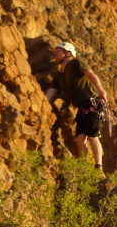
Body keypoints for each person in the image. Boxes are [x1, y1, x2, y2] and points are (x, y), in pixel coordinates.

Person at [42, 41, 110, 172]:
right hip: (81, 107)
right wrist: (41, 103)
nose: (55, 53)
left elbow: (90, 74)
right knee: (79, 138)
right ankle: (84, 167)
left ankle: (98, 167)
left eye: (58, 51)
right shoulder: (59, 76)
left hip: (92, 102)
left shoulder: (75, 63)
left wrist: (101, 90)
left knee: (92, 136)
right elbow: (50, 94)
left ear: (67, 53)